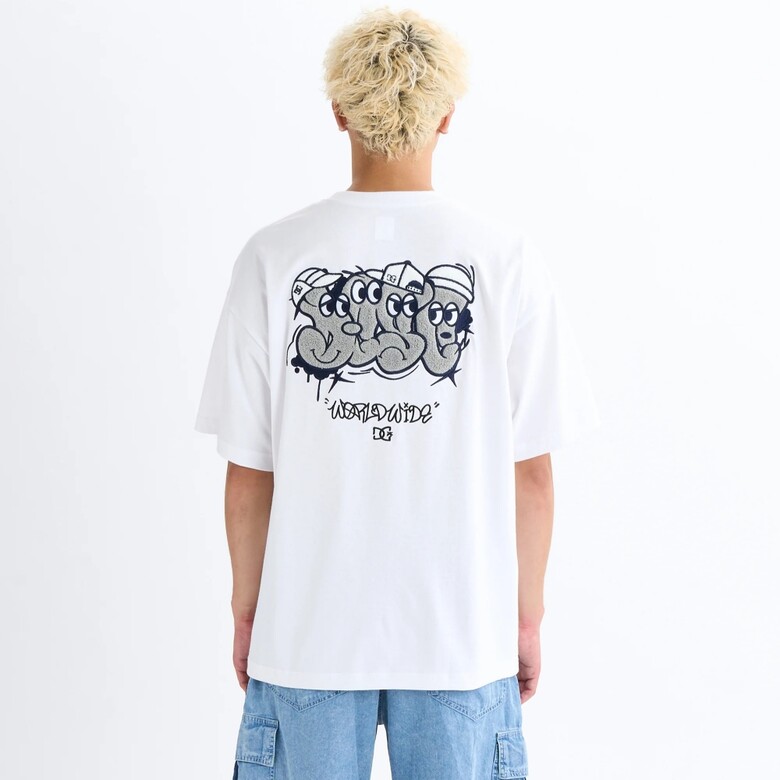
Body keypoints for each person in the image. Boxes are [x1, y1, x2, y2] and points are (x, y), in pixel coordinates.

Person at [193, 7, 600, 779]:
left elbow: (249, 475)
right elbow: (533, 476)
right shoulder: (505, 259)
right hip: (461, 637)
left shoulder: (272, 257)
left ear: (339, 111)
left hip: (307, 634)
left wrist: (249, 611)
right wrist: (527, 616)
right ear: (447, 115)